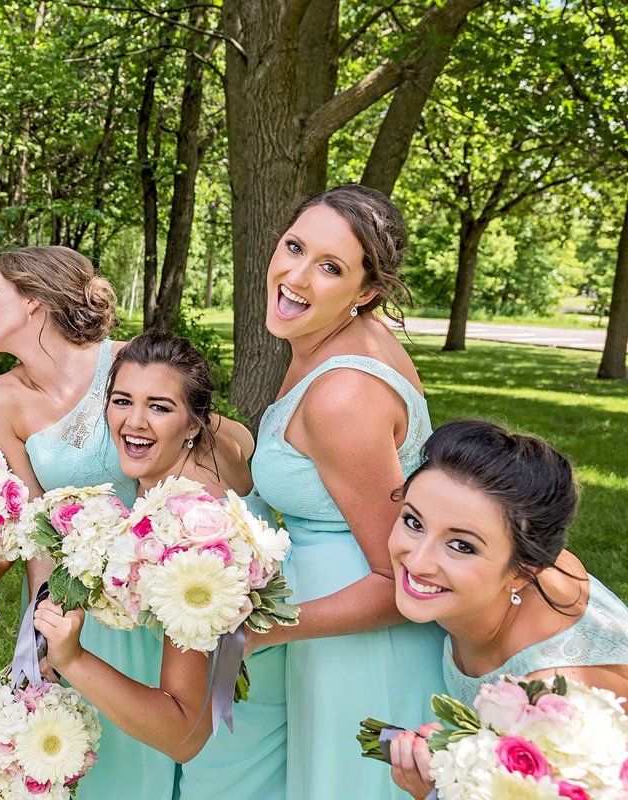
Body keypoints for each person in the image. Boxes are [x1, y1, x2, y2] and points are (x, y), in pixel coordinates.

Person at [247, 185, 447, 799]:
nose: (296, 276)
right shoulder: (321, 342)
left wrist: (267, 628)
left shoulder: (343, 397)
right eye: (294, 247)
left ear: (365, 293)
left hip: (364, 649)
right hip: (331, 634)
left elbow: (403, 578)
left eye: (329, 267)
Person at [34, 331, 287, 799]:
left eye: (160, 407)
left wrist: (72, 659)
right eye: (122, 400)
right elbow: (243, 438)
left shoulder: (187, 532)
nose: (134, 422)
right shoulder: (219, 445)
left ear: (194, 424)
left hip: (224, 738)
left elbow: (182, 734)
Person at [385, 419, 628, 800]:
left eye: (462, 546)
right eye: (414, 522)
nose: (417, 561)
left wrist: (437, 794)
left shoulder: (556, 701)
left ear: (524, 571)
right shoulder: (509, 567)